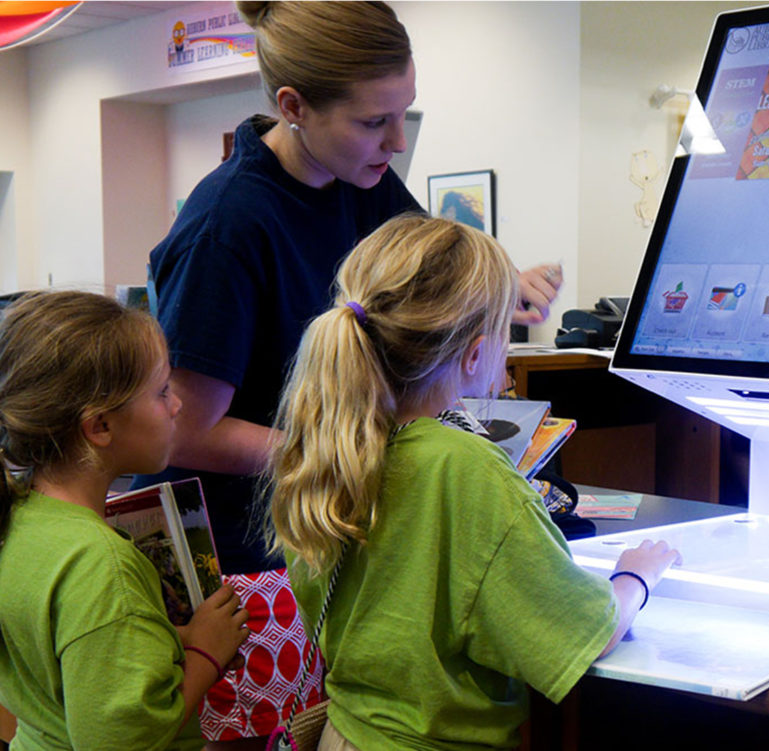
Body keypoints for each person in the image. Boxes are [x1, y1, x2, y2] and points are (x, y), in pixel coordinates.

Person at [139, 2, 563, 745]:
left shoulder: (364, 182)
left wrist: (489, 299)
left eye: (405, 116)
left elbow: (420, 287)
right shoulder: (228, 225)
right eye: (375, 123)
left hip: (333, 536)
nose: (398, 145)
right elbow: (186, 431)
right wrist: (357, 452)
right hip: (251, 580)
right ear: (293, 107)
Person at [267, 214, 681, 751]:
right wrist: (636, 577)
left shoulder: (335, 448)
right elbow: (588, 631)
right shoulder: (465, 467)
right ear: (475, 353)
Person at [0, 291, 250, 750]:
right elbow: (122, 740)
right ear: (100, 427)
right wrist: (203, 654)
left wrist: (173, 639)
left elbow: (73, 655)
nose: (176, 407)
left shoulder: (19, 517)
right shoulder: (101, 564)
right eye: (161, 392)